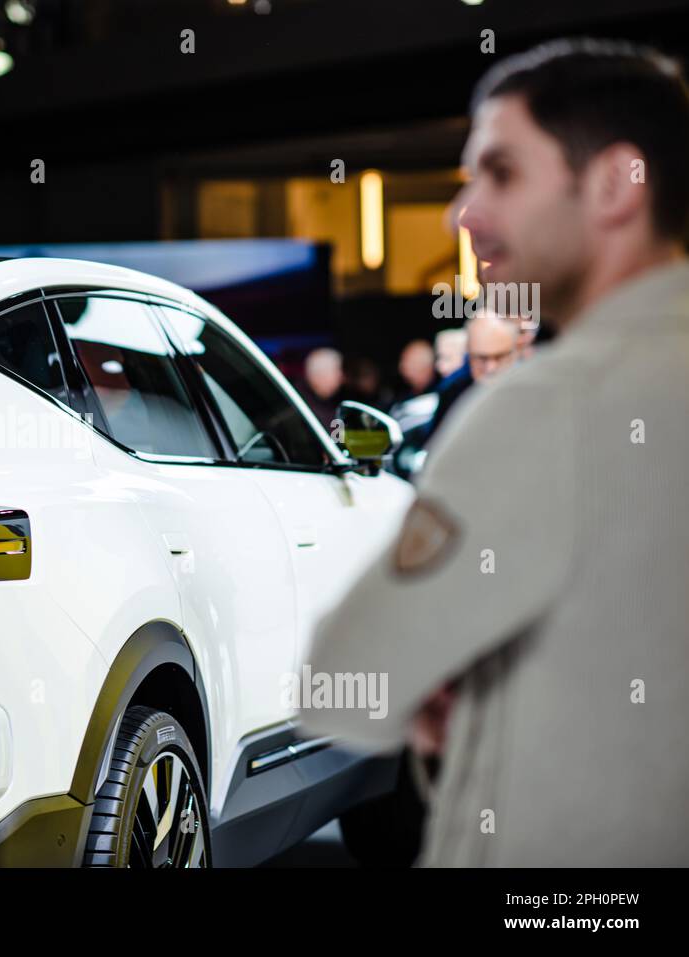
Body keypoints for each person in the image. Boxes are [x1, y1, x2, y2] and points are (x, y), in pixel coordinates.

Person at [299, 38, 689, 865]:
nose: (461, 214)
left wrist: (451, 679)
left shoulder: (552, 405)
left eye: (500, 174)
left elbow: (342, 685)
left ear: (618, 183)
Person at [464, 311, 520, 383]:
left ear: (516, 352)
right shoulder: (453, 389)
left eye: (500, 357)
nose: (491, 368)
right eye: (482, 358)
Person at [300, 346, 344, 428]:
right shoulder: (302, 407)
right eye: (337, 371)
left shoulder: (327, 401)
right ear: (321, 374)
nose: (341, 376)